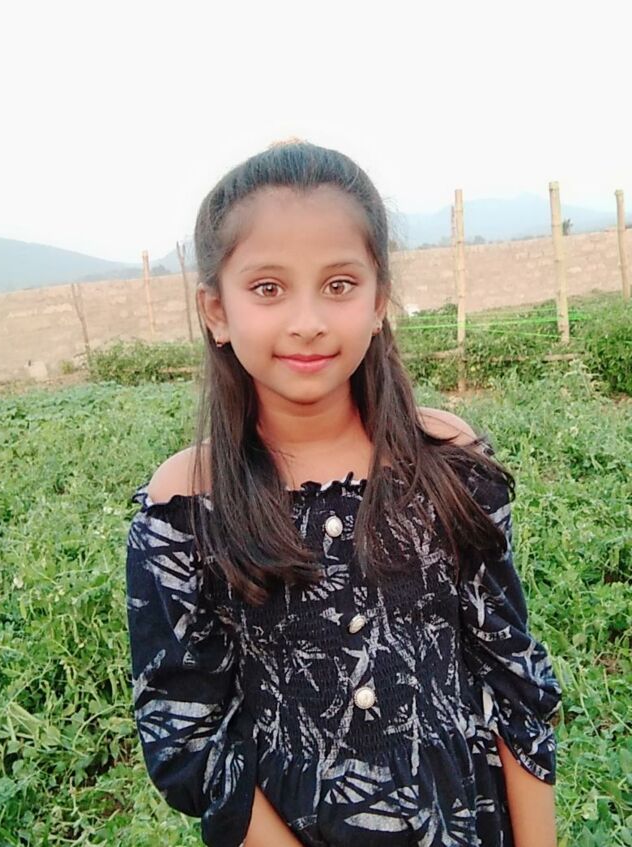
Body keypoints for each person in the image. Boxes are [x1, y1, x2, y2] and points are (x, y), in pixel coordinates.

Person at [124, 140, 563, 847]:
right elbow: (187, 736)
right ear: (216, 310)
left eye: (338, 284)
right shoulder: (186, 505)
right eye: (268, 288)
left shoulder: (448, 463)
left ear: (379, 298)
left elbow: (515, 679)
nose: (308, 320)